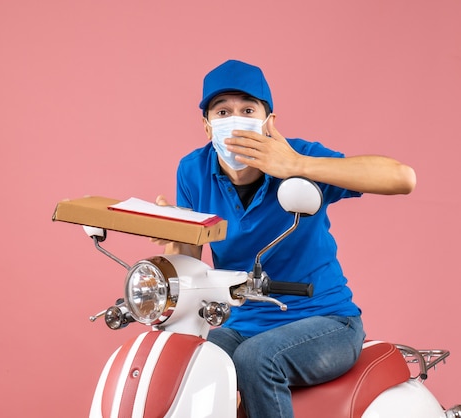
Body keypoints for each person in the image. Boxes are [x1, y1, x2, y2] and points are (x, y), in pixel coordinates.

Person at [154, 59, 416, 418]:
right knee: (189, 359)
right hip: (241, 322)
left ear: (268, 121)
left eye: (248, 109)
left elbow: (402, 178)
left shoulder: (300, 156)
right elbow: (189, 256)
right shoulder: (193, 169)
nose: (235, 119)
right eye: (222, 111)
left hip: (326, 320)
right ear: (206, 125)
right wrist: (172, 230)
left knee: (256, 359)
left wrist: (297, 166)